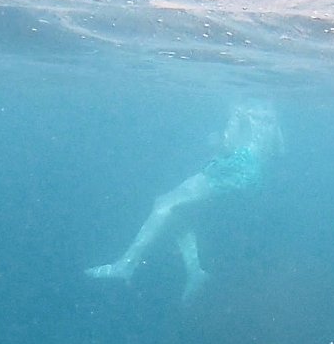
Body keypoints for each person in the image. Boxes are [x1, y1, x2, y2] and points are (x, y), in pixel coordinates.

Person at [86, 99, 283, 301]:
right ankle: (195, 272)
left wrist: (219, 138)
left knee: (164, 204)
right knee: (180, 212)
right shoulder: (270, 115)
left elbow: (228, 144)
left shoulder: (240, 109)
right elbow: (279, 150)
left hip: (233, 165)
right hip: (253, 173)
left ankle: (126, 264)